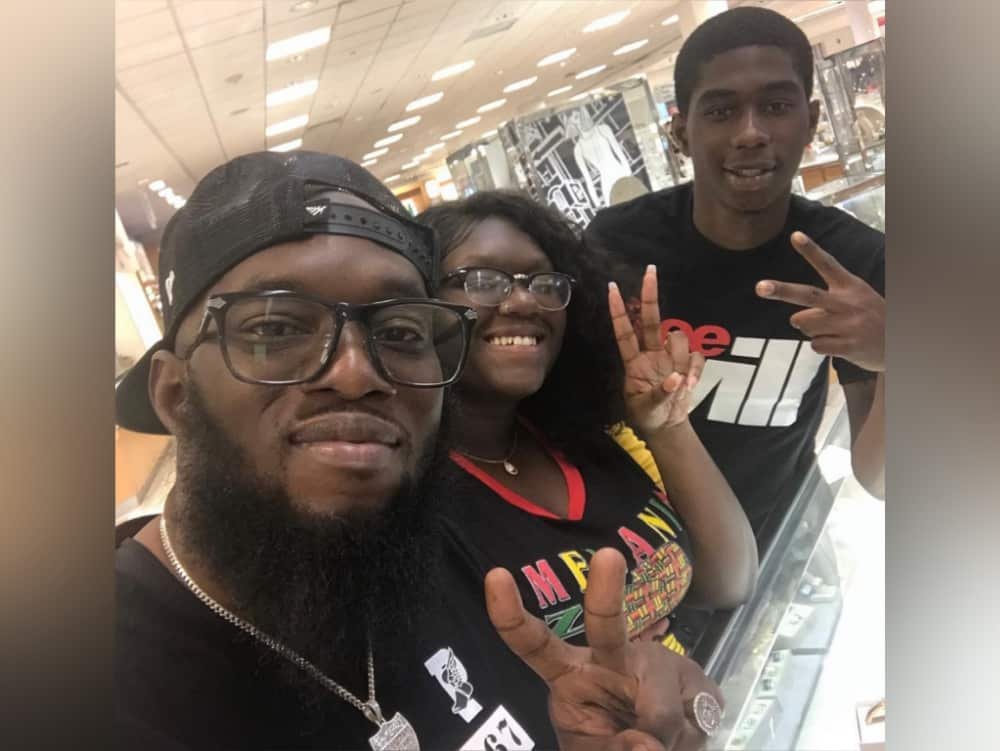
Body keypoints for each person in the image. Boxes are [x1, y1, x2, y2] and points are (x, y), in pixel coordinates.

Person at [114, 150, 725, 751]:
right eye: (275, 327)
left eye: (400, 331)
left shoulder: (407, 552)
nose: (355, 373)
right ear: (175, 394)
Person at [585, 7, 886, 546]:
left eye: (776, 106)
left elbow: (882, 479)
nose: (751, 133)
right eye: (721, 111)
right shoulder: (615, 242)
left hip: (779, 546)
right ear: (680, 132)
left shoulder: (852, 261)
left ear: (812, 120)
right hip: (640, 550)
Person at [420, 191, 757, 660]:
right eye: (483, 281)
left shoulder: (582, 441)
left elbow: (728, 583)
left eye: (543, 282)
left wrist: (668, 426)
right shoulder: (417, 505)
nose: (525, 301)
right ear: (417, 305)